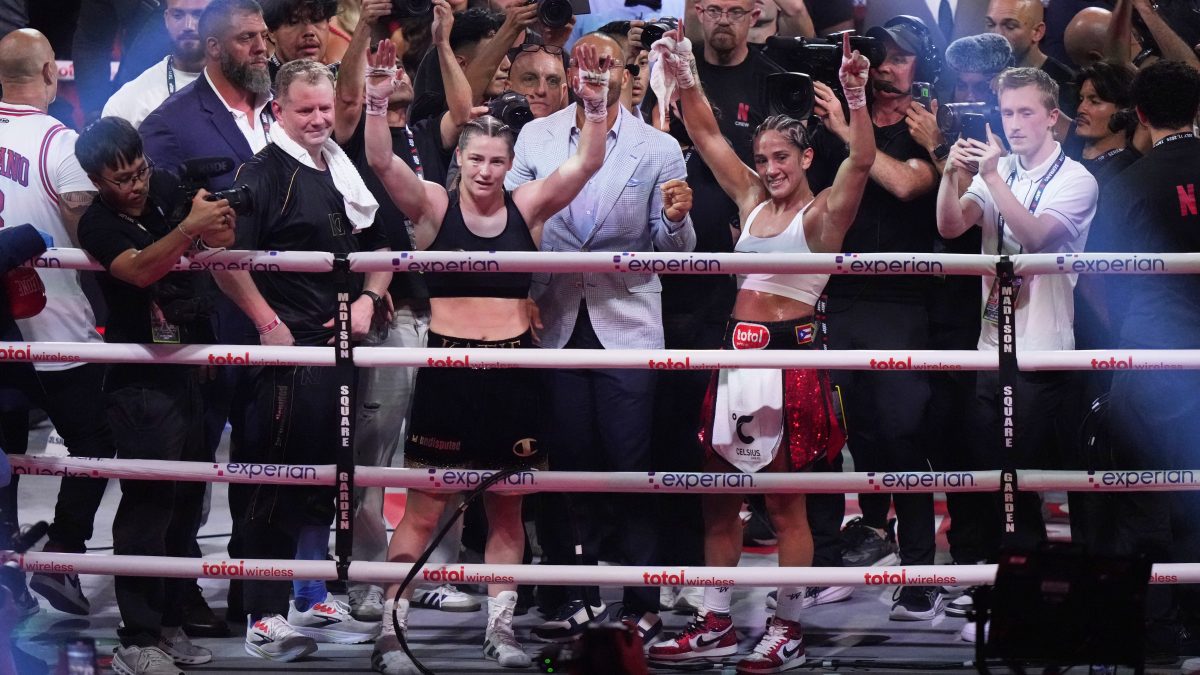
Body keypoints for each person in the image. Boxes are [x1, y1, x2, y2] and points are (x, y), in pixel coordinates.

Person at [363, 38, 609, 673]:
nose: (486, 171)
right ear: (461, 159)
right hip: (448, 370)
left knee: (509, 512)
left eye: (498, 161)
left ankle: (500, 630)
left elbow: (584, 165)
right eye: (476, 158)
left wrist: (598, 101)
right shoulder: (434, 206)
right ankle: (393, 631)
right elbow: (381, 161)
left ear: (509, 164)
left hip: (513, 370)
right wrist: (374, 94)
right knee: (422, 511)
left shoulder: (525, 207)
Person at [647, 32, 871, 673]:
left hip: (790, 360)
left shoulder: (824, 214)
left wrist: (854, 98)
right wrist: (682, 69)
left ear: (805, 157)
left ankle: (788, 624)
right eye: (764, 158)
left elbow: (859, 163)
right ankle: (715, 619)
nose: (770, 168)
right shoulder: (750, 203)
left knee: (783, 504)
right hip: (736, 356)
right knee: (719, 496)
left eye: (782, 157)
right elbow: (708, 136)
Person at [505, 31, 695, 645]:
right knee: (567, 464)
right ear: (569, 69)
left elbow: (674, 253)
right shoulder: (535, 137)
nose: (595, 71)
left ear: (626, 70)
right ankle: (572, 591)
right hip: (554, 317)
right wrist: (523, 296)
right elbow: (516, 222)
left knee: (630, 464)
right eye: (583, 61)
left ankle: (642, 597)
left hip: (629, 321)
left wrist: (674, 219)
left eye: (607, 62)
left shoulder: (658, 146)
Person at [213, 58, 391, 661]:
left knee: (325, 476)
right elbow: (224, 260)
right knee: (271, 484)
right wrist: (268, 324)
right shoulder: (261, 174)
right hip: (285, 361)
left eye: (324, 108)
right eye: (305, 110)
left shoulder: (341, 168)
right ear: (278, 112)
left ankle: (309, 593)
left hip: (338, 350)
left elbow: (382, 246)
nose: (318, 120)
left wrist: (368, 300)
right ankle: (262, 618)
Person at [935, 67, 1098, 642]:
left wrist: (990, 176)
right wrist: (952, 175)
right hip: (990, 348)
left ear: (1053, 116)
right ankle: (1009, 600)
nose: (1016, 124)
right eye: (1007, 113)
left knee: (1020, 486)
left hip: (1043, 355)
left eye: (1027, 112)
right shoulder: (994, 170)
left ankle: (1038, 606)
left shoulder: (1076, 179)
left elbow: (1034, 236)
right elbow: (951, 226)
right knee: (994, 485)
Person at [76, 116, 236, 675]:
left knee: (186, 506)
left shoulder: (166, 187)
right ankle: (136, 638)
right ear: (97, 180)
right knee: (147, 509)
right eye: (120, 179)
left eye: (138, 170)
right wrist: (191, 230)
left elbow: (223, 234)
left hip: (193, 364)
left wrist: (215, 222)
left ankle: (167, 626)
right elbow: (141, 270)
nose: (136, 185)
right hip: (140, 378)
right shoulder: (96, 224)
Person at [808, 14, 943, 621]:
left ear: (921, 65)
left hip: (903, 298)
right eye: (880, 56)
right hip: (838, 294)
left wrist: (845, 124)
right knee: (855, 435)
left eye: (902, 58)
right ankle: (863, 545)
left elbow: (912, 185)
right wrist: (837, 124)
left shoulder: (930, 123)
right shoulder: (832, 121)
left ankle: (919, 570)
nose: (889, 68)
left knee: (902, 434)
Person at [0, 28, 122, 622]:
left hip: (3, 333)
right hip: (55, 327)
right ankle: (63, 551)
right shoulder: (59, 143)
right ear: (52, 74)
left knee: (4, 453)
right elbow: (87, 235)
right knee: (95, 446)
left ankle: (9, 579)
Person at [1102, 60, 1200, 664]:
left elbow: (1097, 281)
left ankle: (1156, 631)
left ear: (1137, 115)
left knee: (1145, 497)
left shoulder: (1129, 184)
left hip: (1154, 356)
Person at [103, 0, 212, 129]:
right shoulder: (127, 103)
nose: (188, 25)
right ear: (166, 19)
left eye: (198, 15)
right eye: (178, 15)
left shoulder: (240, 87)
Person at [986, 0, 1079, 115]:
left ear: (1037, 32)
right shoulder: (983, 75)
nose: (997, 34)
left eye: (1010, 26)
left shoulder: (1065, 83)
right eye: (991, 25)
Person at [261, 0, 339, 80]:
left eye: (317, 19)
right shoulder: (257, 86)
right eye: (294, 22)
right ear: (271, 32)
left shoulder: (341, 82)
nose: (309, 32)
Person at [507, 42, 570, 118]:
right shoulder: (490, 127)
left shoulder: (582, 129)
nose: (541, 90)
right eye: (529, 79)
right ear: (508, 88)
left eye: (552, 81)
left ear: (563, 92)